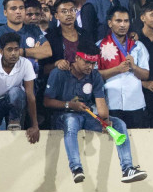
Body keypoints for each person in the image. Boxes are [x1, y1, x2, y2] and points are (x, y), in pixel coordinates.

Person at [42, 39, 147, 184]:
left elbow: (101, 104)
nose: (90, 67)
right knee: (71, 120)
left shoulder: (95, 75)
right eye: (86, 62)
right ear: (77, 58)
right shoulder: (59, 73)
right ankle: (76, 168)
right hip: (63, 115)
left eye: (93, 63)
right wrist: (69, 105)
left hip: (86, 116)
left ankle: (127, 168)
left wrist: (105, 120)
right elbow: (46, 102)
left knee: (118, 123)